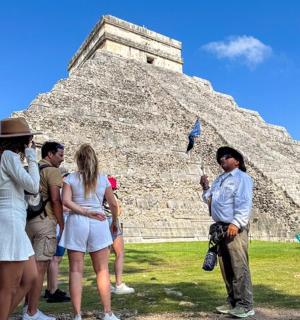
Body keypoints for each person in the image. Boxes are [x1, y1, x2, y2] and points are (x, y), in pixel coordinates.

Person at [60, 144, 120, 320]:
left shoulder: (70, 178)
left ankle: (77, 314)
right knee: (102, 270)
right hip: (99, 221)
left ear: (78, 160)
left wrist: (83, 211)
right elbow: (113, 204)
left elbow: (66, 201)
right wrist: (114, 221)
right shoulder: (103, 180)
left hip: (76, 221)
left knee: (76, 270)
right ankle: (108, 312)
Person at [200, 146, 255, 318]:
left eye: (226, 156)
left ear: (237, 161)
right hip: (220, 228)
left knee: (239, 266)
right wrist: (205, 186)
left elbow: (244, 202)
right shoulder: (220, 180)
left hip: (233, 228)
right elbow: (210, 199)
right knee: (226, 267)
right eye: (220, 158)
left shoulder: (242, 178)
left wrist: (236, 223)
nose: (222, 159)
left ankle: (245, 305)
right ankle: (232, 301)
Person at [0, 117, 40, 319]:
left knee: (30, 277)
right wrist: (32, 157)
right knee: (9, 286)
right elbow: (33, 187)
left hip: (15, 221)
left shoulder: (4, 158)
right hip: (10, 223)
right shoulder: (8, 156)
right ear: (24, 141)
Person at [24, 142, 65, 320]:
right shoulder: (52, 171)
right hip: (45, 221)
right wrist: (61, 223)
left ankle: (27, 307)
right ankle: (31, 312)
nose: (62, 159)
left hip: (27, 222)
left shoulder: (29, 169)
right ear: (50, 154)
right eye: (60, 155)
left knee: (28, 269)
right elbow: (55, 199)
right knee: (40, 269)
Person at [104, 176, 134, 295]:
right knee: (119, 253)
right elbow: (117, 209)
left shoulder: (98, 196)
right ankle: (119, 284)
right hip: (111, 222)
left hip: (101, 223)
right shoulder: (112, 196)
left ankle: (105, 284)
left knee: (104, 257)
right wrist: (115, 220)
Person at [44, 171, 71, 303]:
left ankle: (50, 288)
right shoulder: (60, 190)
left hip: (59, 226)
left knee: (55, 259)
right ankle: (53, 290)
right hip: (59, 226)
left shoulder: (60, 189)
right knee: (56, 258)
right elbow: (61, 206)